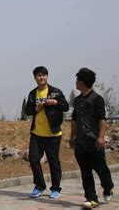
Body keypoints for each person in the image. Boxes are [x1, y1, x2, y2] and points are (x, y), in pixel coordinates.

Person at [69, 68, 114, 209]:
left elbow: (102, 119)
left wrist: (101, 137)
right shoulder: (76, 101)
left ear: (81, 82)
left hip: (94, 141)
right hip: (81, 142)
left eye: (77, 80)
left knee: (101, 169)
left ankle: (108, 187)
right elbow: (75, 121)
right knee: (85, 171)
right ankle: (91, 198)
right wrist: (72, 137)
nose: (75, 82)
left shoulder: (97, 99)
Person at [24, 66, 69, 199]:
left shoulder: (55, 92)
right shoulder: (33, 94)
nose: (41, 78)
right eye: (39, 75)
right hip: (37, 134)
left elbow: (65, 106)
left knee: (53, 161)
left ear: (47, 77)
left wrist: (54, 102)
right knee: (33, 159)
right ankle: (39, 186)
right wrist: (36, 108)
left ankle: (55, 188)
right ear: (35, 78)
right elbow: (27, 110)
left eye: (44, 75)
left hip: (53, 135)